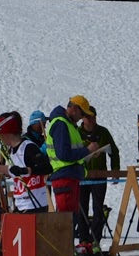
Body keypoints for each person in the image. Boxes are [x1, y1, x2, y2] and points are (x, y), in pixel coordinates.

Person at [46, 95, 107, 245]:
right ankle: (63, 253)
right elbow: (64, 154)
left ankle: (67, 252)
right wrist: (87, 150)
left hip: (70, 176)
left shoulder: (68, 125)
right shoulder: (61, 124)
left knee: (70, 219)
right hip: (64, 177)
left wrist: (86, 154)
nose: (82, 118)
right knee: (66, 219)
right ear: (74, 108)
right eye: (82, 113)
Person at [78, 100, 120, 249]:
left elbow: (114, 152)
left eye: (93, 117)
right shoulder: (77, 133)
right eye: (87, 117)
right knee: (82, 209)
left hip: (99, 176)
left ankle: (95, 241)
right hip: (82, 176)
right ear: (83, 118)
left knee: (98, 209)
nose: (90, 120)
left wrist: (115, 170)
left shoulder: (103, 132)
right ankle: (83, 241)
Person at [9, 111, 53, 211]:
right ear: (36, 124)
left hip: (42, 179)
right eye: (43, 123)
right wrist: (42, 150)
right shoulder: (25, 140)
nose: (44, 126)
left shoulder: (41, 138)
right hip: (29, 184)